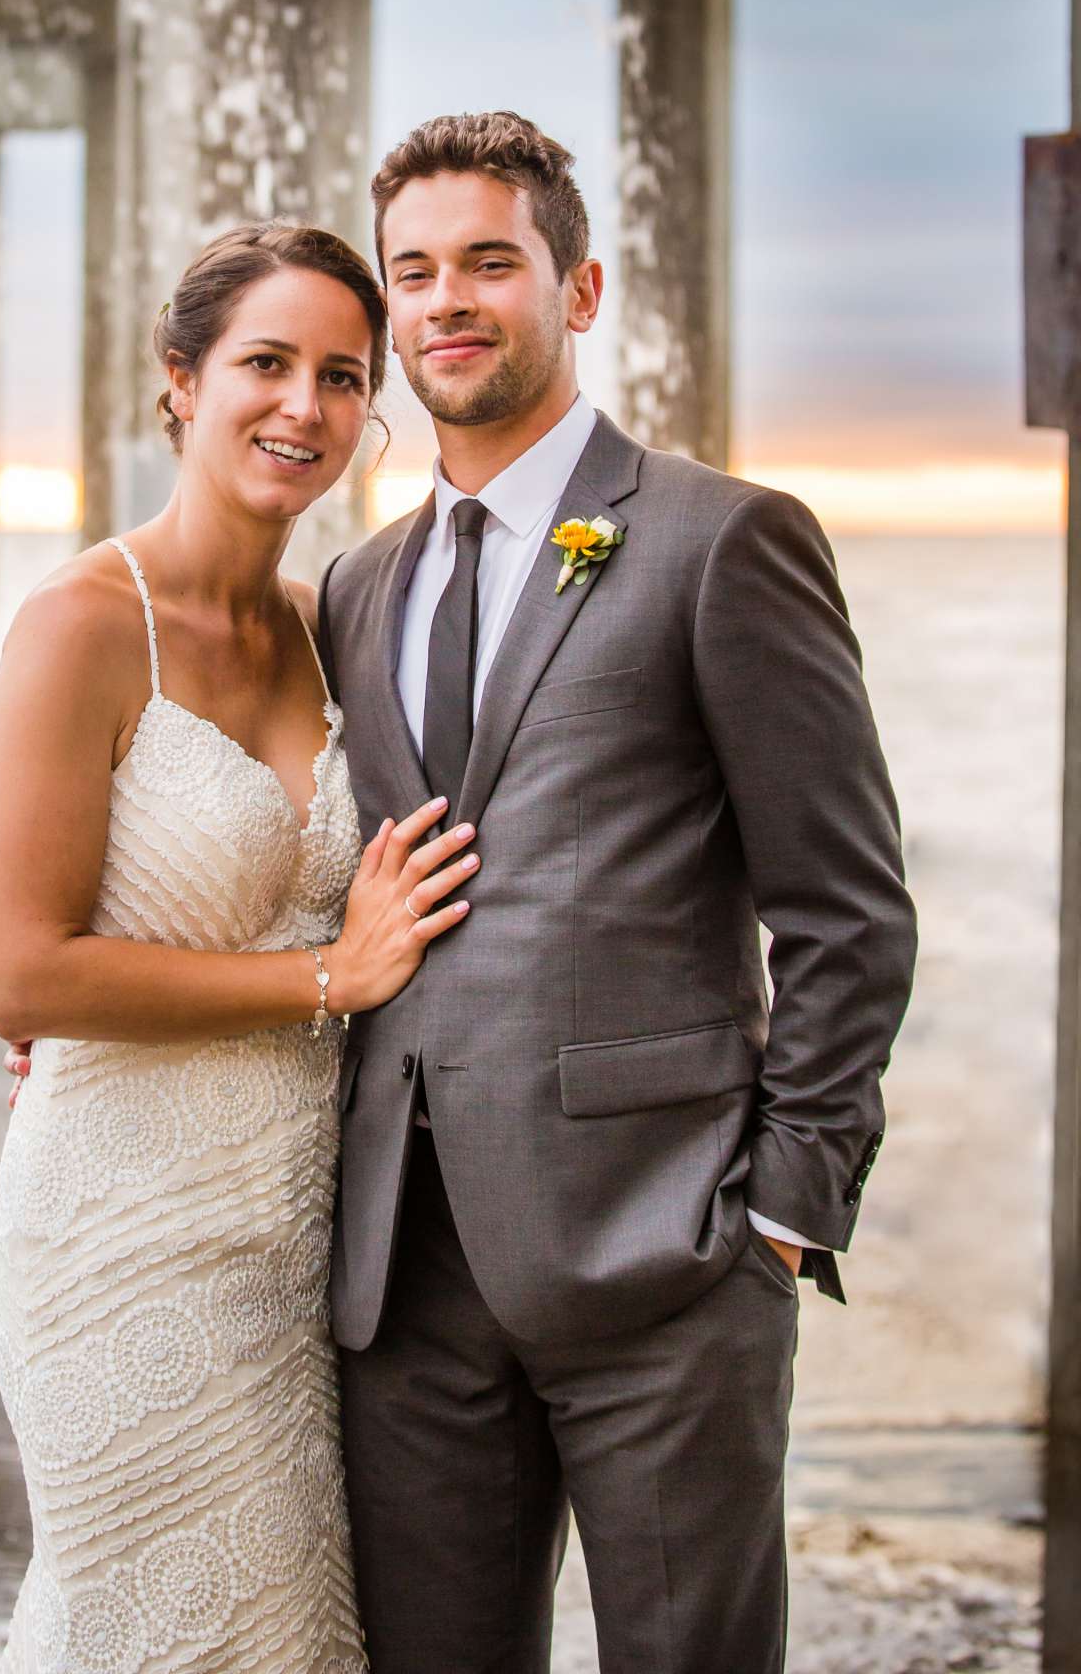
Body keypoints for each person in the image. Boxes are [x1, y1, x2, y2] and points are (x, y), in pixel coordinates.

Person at [315, 110, 918, 1674]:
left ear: (576, 292)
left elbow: (848, 909)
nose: (446, 301)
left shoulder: (721, 545)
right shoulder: (359, 587)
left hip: (668, 1264)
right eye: (415, 272)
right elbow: (330, 883)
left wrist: (785, 1209)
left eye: (489, 264)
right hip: (406, 1282)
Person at [0, 221, 476, 1674]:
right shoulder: (79, 625)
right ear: (181, 382)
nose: (301, 407)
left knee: (291, 1633)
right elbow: (18, 974)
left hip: (300, 1239)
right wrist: (324, 979)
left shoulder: (336, 630)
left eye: (339, 375)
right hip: (117, 1240)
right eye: (264, 362)